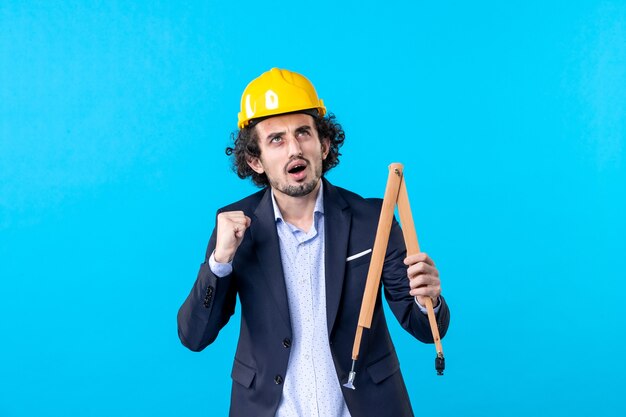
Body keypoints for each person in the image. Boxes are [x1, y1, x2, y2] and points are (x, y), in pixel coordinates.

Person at [177, 68, 450, 417]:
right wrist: (220, 262)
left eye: (303, 133)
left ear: (323, 144)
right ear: (255, 160)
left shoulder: (374, 220)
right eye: (276, 139)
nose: (295, 149)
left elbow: (427, 329)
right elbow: (194, 337)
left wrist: (430, 298)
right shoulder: (233, 225)